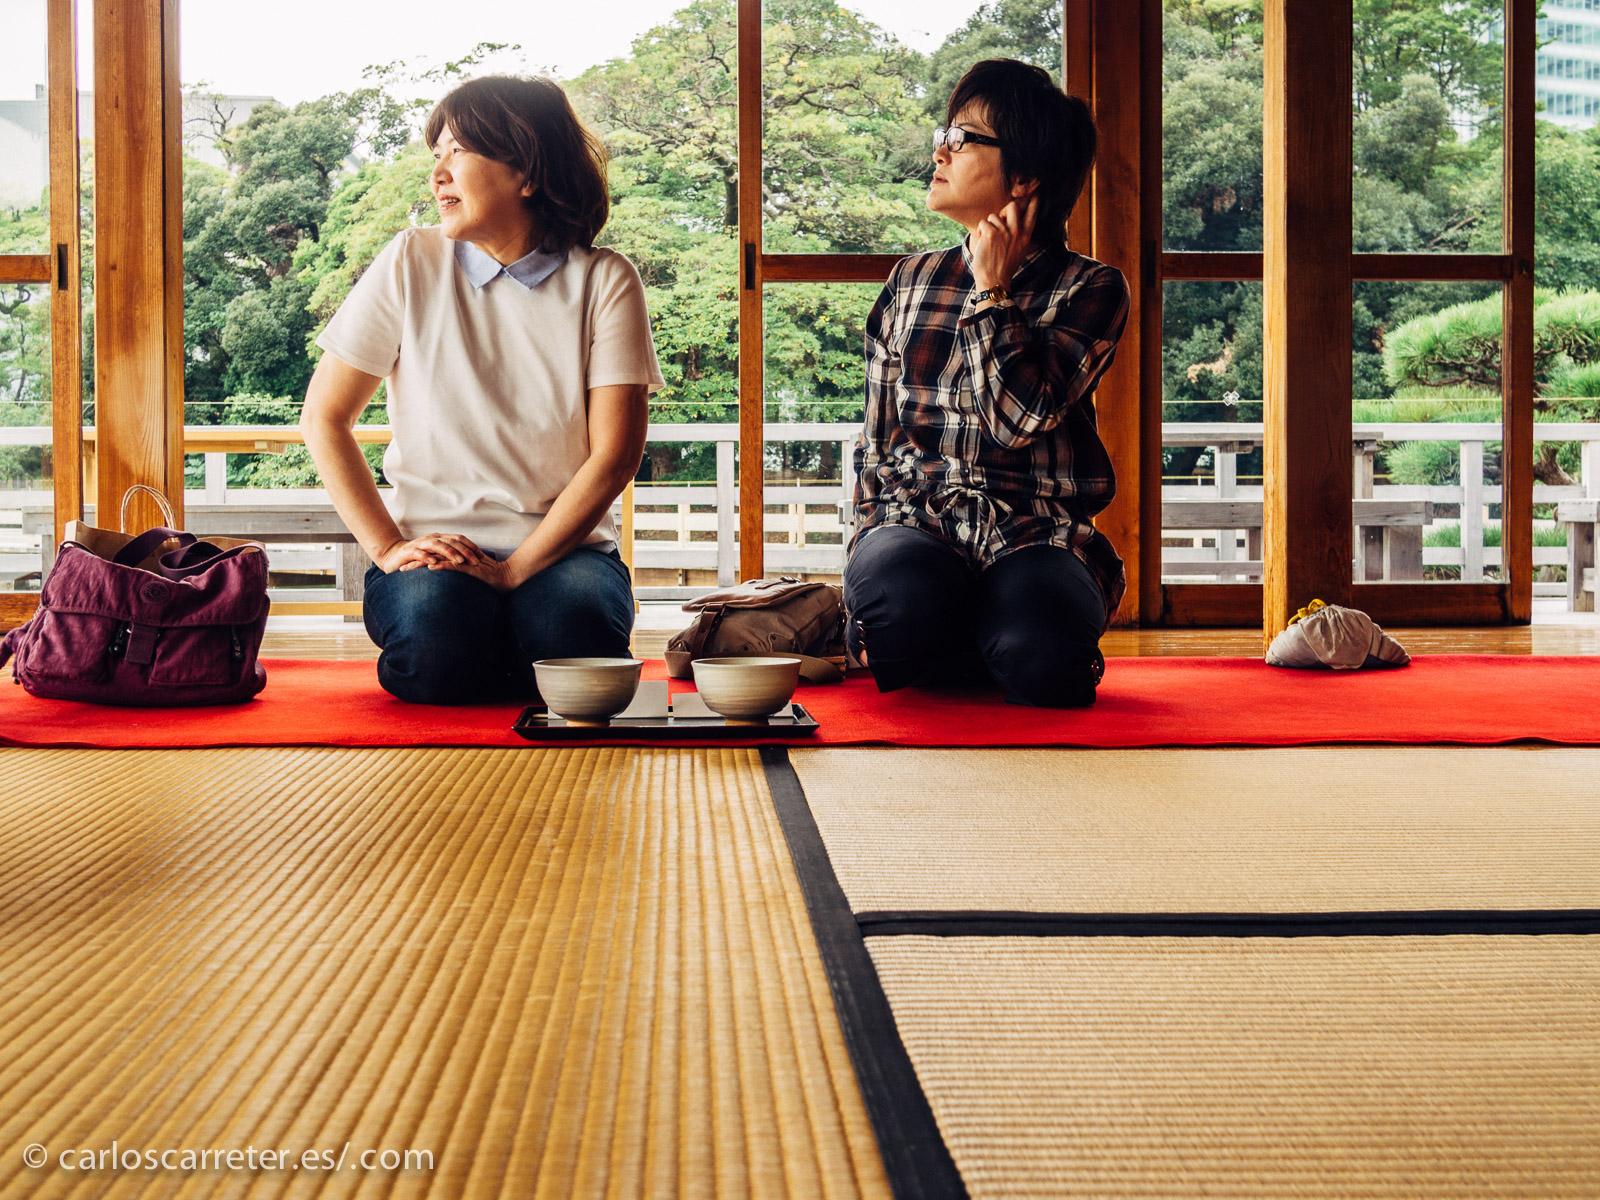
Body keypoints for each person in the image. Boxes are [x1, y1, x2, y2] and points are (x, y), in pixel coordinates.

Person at [301, 76, 663, 705]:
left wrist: (512, 571)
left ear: (526, 172)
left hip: (565, 549)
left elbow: (615, 456)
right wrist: (388, 548)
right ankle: (493, 645)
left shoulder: (606, 279)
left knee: (576, 641)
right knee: (435, 650)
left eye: (459, 152)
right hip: (435, 548)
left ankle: (512, 638)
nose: (438, 174)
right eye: (435, 154)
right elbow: (324, 418)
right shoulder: (409, 261)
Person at [843, 58, 1130, 707]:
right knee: (897, 612)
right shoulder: (911, 279)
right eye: (943, 134)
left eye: (962, 138)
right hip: (915, 523)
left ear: (1025, 176)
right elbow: (876, 440)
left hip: (1034, 534)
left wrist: (993, 292)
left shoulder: (1091, 287)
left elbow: (1017, 419)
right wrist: (864, 540)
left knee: (1044, 664)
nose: (939, 150)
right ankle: (958, 632)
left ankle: (1000, 636)